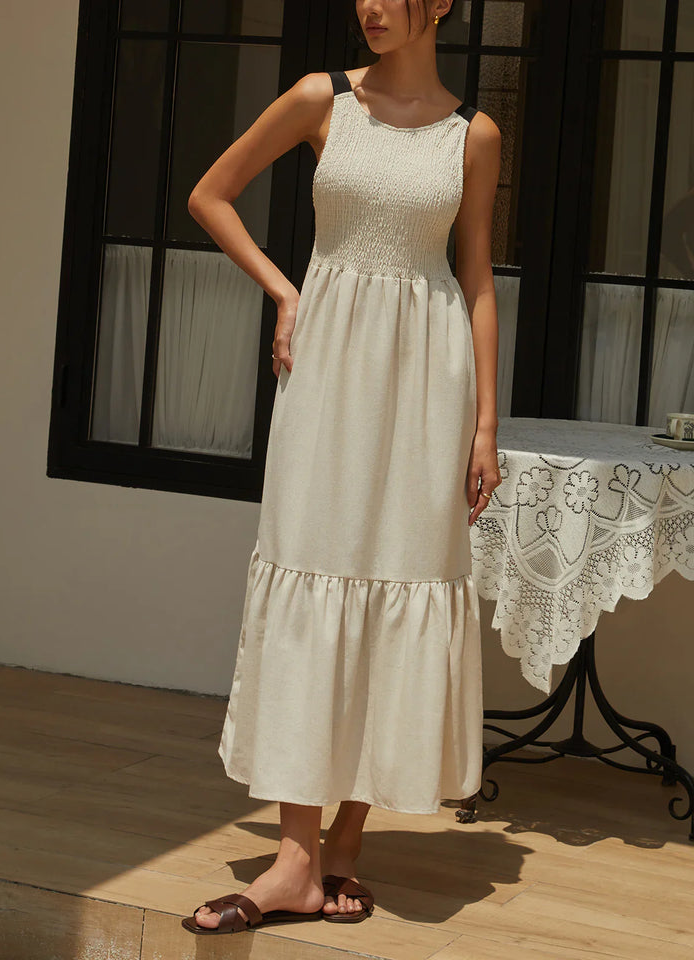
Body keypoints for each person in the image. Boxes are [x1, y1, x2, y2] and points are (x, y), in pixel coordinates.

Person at [183, 0, 501, 937]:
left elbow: (477, 276)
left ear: (438, 3)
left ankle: (346, 848)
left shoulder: (472, 134)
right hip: (329, 368)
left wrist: (485, 424)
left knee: (401, 572)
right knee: (312, 562)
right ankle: (292, 858)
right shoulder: (322, 99)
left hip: (428, 375)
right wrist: (285, 289)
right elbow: (210, 193)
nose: (369, 4)